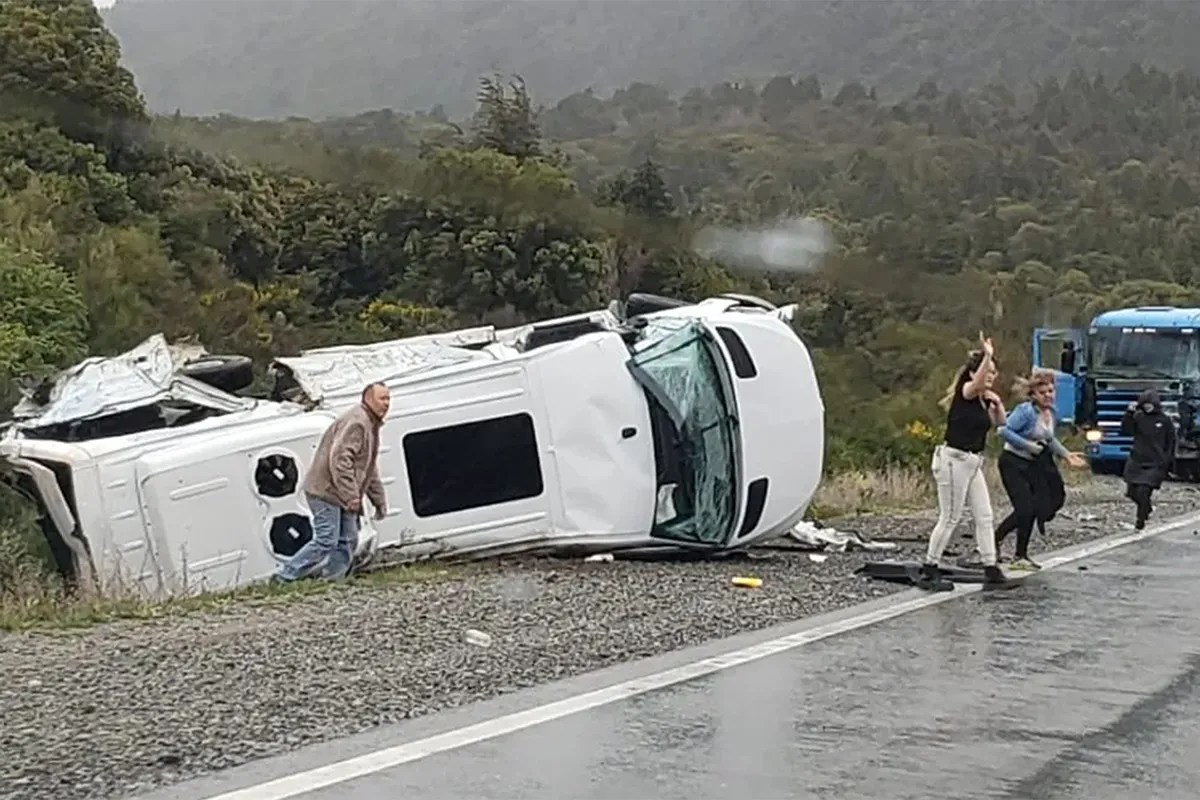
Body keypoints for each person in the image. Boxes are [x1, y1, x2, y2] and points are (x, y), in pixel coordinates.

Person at [917, 334, 1009, 591]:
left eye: (993, 373)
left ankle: (991, 566)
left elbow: (1000, 423)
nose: (990, 377)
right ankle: (929, 567)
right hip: (953, 459)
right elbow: (976, 383)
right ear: (973, 374)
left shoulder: (983, 401)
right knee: (950, 516)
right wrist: (987, 355)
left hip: (973, 462)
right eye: (987, 372)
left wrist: (998, 402)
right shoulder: (966, 392)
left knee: (984, 514)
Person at [276, 382, 391, 582]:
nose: (387, 403)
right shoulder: (358, 423)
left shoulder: (370, 424)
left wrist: (378, 500)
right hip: (326, 490)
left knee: (348, 539)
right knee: (326, 539)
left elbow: (368, 468)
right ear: (367, 399)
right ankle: (285, 576)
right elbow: (340, 460)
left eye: (388, 398)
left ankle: (332, 579)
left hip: (341, 492)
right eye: (382, 398)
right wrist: (351, 496)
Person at [995, 369, 1087, 571]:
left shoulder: (1051, 413)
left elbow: (1049, 439)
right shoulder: (1026, 411)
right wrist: (1027, 446)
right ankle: (1003, 545)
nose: (1048, 395)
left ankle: (1016, 552)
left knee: (1036, 506)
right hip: (1012, 462)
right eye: (1043, 392)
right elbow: (1003, 430)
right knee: (1024, 509)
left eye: (1051, 391)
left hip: (1031, 464)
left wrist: (1066, 455)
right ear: (1034, 395)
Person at [1121, 388, 1176, 530]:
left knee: (1143, 491)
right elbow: (1126, 431)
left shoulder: (1164, 420)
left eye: (1149, 404)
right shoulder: (1138, 417)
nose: (1147, 407)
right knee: (1132, 492)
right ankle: (1147, 508)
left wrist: (1167, 460)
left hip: (1155, 463)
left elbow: (1171, 441)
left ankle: (1140, 520)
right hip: (1137, 459)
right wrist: (1129, 413)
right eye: (1145, 404)